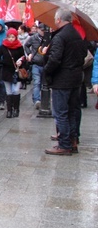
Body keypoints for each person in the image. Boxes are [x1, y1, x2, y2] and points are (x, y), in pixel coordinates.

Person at [43, 9, 87, 155]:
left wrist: (47, 70)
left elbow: (55, 59)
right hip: (75, 78)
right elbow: (83, 55)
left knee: (61, 113)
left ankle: (64, 145)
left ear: (59, 19)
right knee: (72, 111)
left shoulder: (60, 36)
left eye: (55, 19)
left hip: (62, 79)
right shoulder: (77, 35)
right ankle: (73, 141)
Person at [0, 28, 26, 118]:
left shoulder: (19, 46)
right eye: (9, 37)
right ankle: (9, 110)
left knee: (16, 90)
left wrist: (21, 61)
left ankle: (16, 109)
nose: (11, 39)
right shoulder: (3, 46)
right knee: (8, 91)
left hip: (17, 71)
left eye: (13, 37)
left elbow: (23, 57)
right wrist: (4, 62)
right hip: (6, 71)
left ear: (16, 37)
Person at [25, 23, 49, 109]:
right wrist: (29, 54)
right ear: (38, 29)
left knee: (44, 84)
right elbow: (26, 45)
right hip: (36, 63)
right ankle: (36, 100)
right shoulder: (33, 38)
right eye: (42, 30)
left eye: (44, 31)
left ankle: (44, 100)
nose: (43, 32)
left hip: (46, 64)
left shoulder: (48, 39)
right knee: (37, 82)